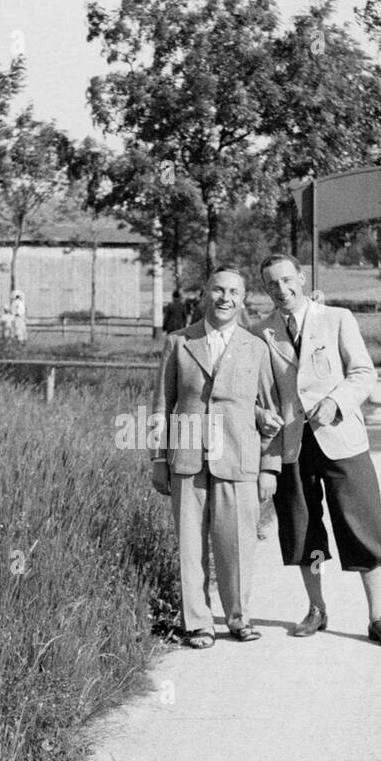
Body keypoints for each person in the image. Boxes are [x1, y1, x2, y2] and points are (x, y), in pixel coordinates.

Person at [253, 253, 381, 648]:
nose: (282, 290)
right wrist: (260, 415)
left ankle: (378, 617)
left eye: (288, 280)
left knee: (361, 525)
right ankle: (317, 609)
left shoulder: (337, 319)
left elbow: (363, 372)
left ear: (301, 279)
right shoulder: (261, 333)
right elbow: (256, 392)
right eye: (272, 284)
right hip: (293, 445)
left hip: (341, 440)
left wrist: (336, 403)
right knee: (304, 529)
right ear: (265, 289)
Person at [150, 265, 281, 648]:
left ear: (243, 300)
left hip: (238, 460)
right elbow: (161, 406)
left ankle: (239, 618)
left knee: (236, 544)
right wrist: (159, 459)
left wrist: (269, 466)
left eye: (234, 293)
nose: (225, 298)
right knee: (191, 547)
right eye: (218, 290)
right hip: (187, 462)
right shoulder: (178, 343)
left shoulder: (255, 347)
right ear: (206, 293)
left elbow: (269, 411)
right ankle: (198, 623)